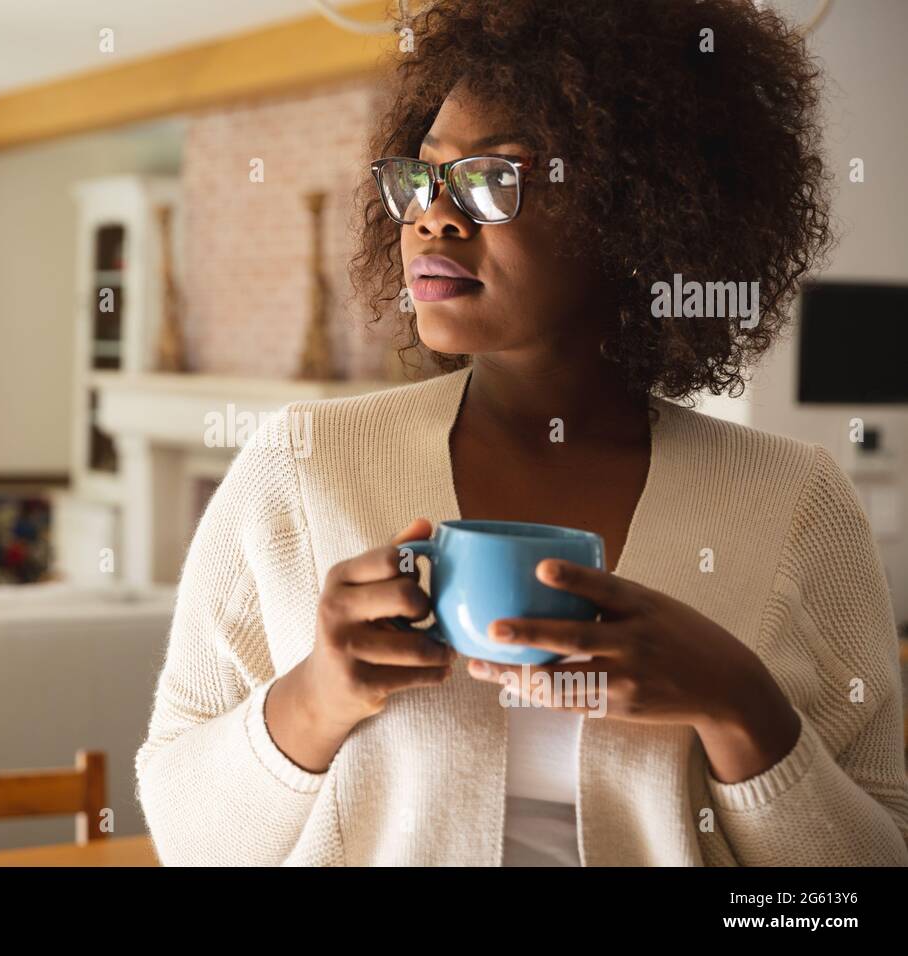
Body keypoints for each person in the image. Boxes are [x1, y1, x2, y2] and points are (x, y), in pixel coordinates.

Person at [135, 0, 908, 865]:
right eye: (423, 178)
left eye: (495, 179)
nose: (433, 218)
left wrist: (739, 706)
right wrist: (315, 699)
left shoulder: (795, 503)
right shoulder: (303, 465)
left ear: (643, 209)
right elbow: (186, 838)